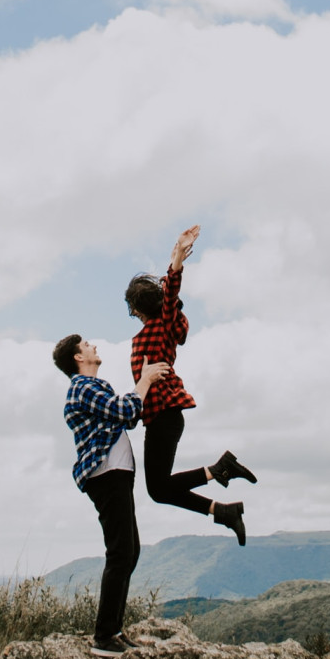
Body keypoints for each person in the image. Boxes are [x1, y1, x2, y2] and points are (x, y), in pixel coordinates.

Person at [128, 224, 258, 545]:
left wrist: (177, 258)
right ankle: (223, 508)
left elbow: (171, 291)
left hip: (164, 417)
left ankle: (220, 472)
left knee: (158, 489)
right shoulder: (159, 328)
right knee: (159, 489)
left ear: (137, 309)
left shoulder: (160, 326)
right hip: (162, 419)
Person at [53, 332, 168, 656]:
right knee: (120, 552)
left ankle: (114, 631)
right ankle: (104, 637)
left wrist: (137, 394)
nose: (93, 346)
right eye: (87, 345)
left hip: (116, 474)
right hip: (106, 475)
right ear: (78, 357)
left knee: (129, 551)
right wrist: (144, 379)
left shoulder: (94, 387)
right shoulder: (82, 387)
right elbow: (124, 409)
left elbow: (129, 416)